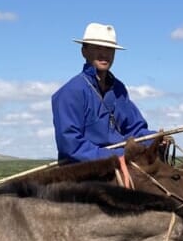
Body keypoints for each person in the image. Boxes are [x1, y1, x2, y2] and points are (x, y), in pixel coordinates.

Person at [51, 22, 159, 164]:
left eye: (109, 49)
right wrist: (116, 155)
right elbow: (71, 145)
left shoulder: (118, 89)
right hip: (84, 171)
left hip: (119, 164)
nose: (104, 54)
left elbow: (135, 129)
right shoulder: (70, 92)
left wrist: (155, 139)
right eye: (97, 48)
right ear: (84, 51)